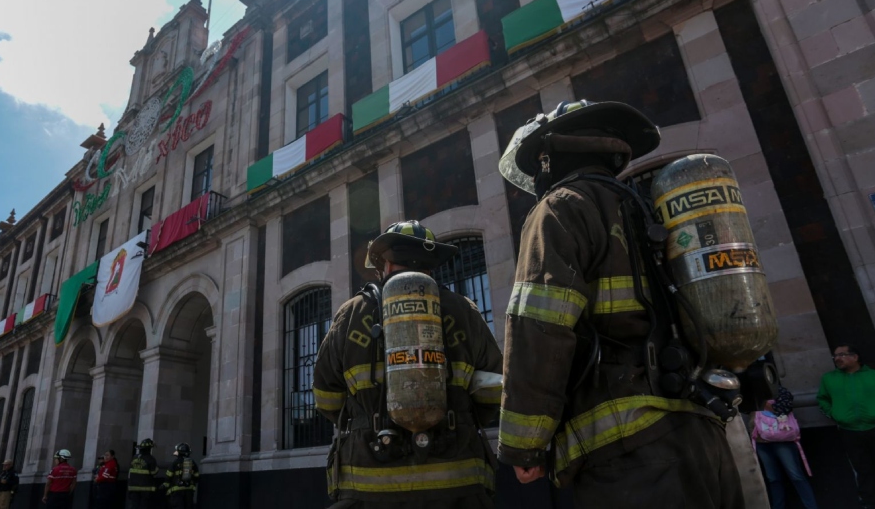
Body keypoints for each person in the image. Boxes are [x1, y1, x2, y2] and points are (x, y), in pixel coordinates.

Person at [496, 100, 745, 508]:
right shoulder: (645, 208)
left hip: (633, 455)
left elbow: (539, 329)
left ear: (548, 158)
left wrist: (523, 445)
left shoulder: (562, 208)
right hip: (704, 434)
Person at [313, 221, 504, 508]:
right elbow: (493, 390)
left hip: (369, 484)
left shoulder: (350, 315)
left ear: (385, 264)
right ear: (431, 264)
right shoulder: (465, 311)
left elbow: (326, 398)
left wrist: (366, 414)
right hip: (458, 482)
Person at [818, 344, 875, 508]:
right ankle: (869, 504)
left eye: (842, 354)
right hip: (849, 430)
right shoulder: (829, 379)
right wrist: (833, 414)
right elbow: (822, 399)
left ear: (855, 357)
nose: (837, 358)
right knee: (861, 470)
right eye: (835, 356)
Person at [751, 387, 818, 509]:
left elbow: (783, 409)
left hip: (783, 439)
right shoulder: (749, 391)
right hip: (761, 441)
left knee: (796, 476)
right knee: (772, 479)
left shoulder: (779, 391)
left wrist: (761, 401)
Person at [163, 443, 198, 509]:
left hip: (177, 491)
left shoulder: (175, 462)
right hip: (189, 491)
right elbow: (197, 476)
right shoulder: (192, 462)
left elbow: (168, 476)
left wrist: (165, 485)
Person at [126, 438, 159, 509]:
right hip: (145, 488)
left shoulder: (134, 457)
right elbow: (154, 472)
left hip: (133, 487)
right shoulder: (150, 458)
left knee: (134, 505)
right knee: (144, 506)